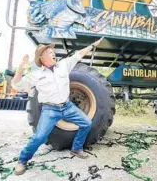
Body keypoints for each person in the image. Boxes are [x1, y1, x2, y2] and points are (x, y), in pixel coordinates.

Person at [11, 37, 104, 175]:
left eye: (52, 51)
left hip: (67, 106)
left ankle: (76, 148)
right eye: (48, 52)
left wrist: (92, 44)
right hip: (50, 110)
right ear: (42, 58)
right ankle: (22, 160)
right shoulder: (36, 75)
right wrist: (19, 70)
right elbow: (16, 85)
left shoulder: (64, 65)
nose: (53, 53)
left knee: (86, 123)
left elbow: (79, 54)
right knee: (39, 137)